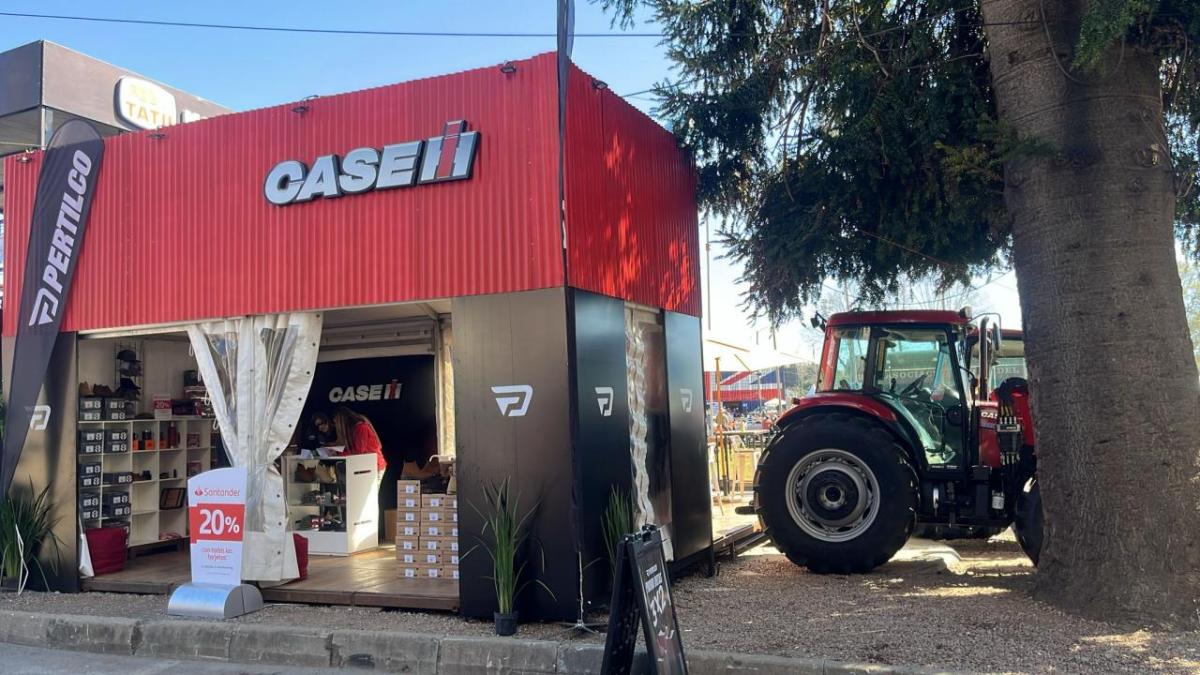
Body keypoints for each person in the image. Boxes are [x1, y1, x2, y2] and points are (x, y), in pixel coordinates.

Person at [331, 406, 387, 477]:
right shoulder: (355, 428)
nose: (335, 425)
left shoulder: (361, 427)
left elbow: (358, 452)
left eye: (336, 421)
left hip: (374, 466)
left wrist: (338, 453)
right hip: (366, 466)